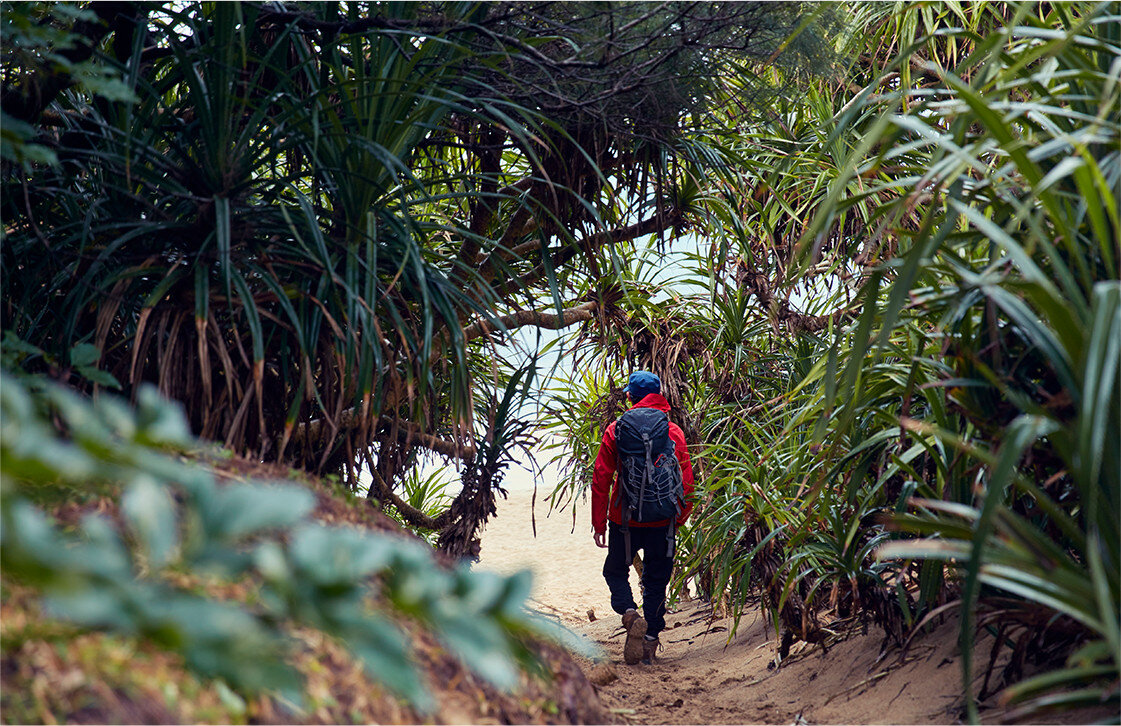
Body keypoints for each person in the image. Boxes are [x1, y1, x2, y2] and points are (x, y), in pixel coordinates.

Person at [592, 370, 694, 665]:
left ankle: (628, 614)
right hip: (663, 519)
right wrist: (681, 515)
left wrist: (599, 522)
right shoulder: (672, 430)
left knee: (614, 571)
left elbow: (601, 477)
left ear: (629, 398)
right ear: (660, 395)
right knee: (656, 580)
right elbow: (686, 479)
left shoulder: (616, 430)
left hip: (624, 520)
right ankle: (650, 642)